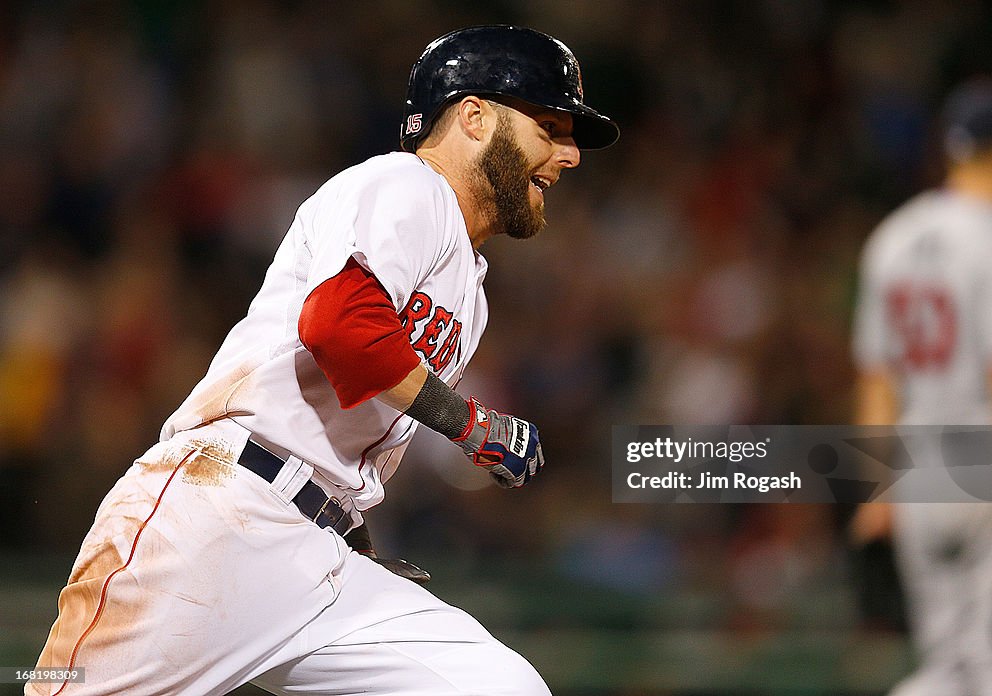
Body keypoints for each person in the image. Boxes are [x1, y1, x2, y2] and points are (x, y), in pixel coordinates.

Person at [26, 25, 618, 696]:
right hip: (219, 514)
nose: (569, 154)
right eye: (549, 125)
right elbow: (339, 326)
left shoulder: (469, 291)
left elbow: (351, 410)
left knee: (498, 686)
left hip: (319, 554)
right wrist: (471, 424)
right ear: (474, 117)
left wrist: (355, 537)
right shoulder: (405, 185)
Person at [850, 76, 992, 696]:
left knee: (948, 663)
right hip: (990, 470)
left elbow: (877, 380)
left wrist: (874, 497)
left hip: (917, 470)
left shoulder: (892, 237)